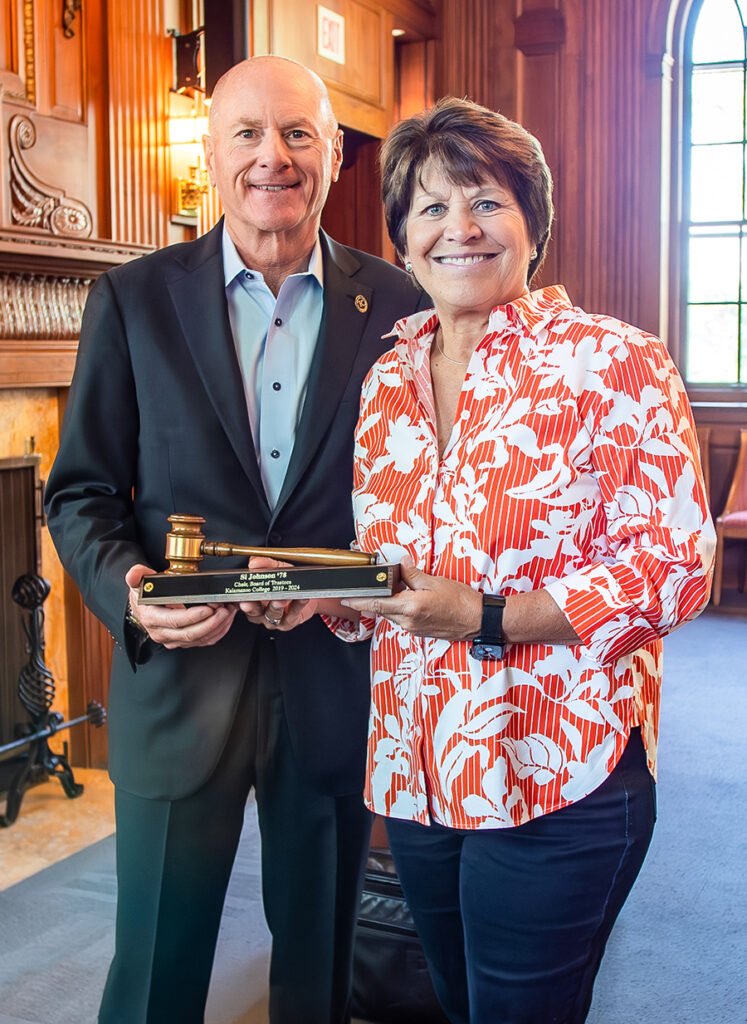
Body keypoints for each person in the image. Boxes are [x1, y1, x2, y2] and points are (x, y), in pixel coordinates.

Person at [259, 97, 715, 1024]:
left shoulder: (613, 362)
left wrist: (487, 616)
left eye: (485, 203)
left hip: (558, 769)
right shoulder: (388, 376)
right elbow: (387, 564)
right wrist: (324, 599)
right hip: (418, 769)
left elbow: (674, 566)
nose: (457, 229)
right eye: (429, 208)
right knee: (455, 1006)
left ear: (531, 225)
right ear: (400, 238)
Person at [43, 56, 427, 1024]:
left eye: (298, 133)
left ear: (335, 156)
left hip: (334, 682)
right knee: (153, 981)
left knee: (319, 978)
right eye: (248, 134)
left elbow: (420, 503)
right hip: (177, 690)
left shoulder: (400, 307)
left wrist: (361, 592)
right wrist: (131, 591)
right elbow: (82, 490)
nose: (274, 157)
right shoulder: (133, 298)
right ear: (212, 156)